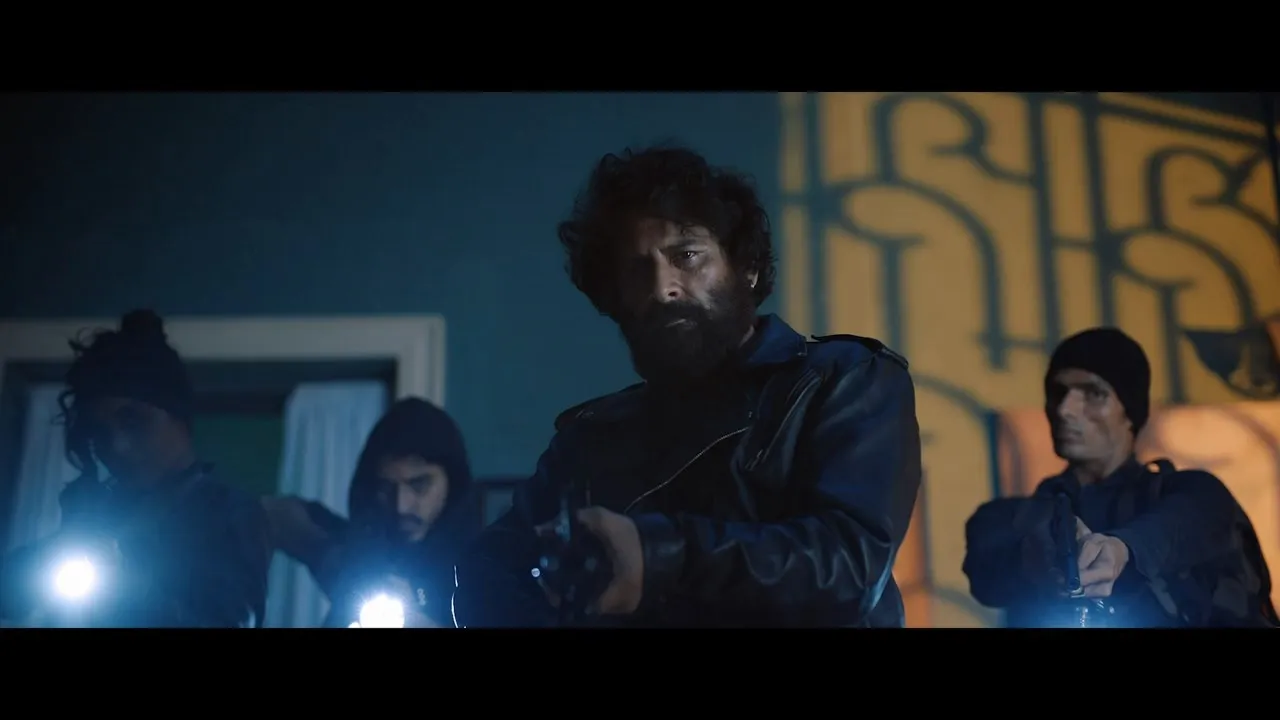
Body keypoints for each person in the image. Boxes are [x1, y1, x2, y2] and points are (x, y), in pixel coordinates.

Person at [452, 145, 923, 628]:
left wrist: (661, 555)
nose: (663, 287)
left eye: (687, 256)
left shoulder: (842, 380)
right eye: (638, 268)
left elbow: (847, 565)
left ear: (746, 267)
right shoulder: (591, 438)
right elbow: (487, 576)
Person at [963, 327, 1279, 627]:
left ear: (1129, 411)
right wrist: (1031, 559)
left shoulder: (1193, 494)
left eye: (1094, 393)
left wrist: (1123, 550)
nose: (1065, 409)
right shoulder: (1009, 516)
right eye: (1059, 392)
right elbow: (987, 569)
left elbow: (1185, 523)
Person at [0, 310, 270, 627]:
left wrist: (130, 586)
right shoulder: (102, 510)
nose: (117, 446)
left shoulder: (228, 511)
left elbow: (231, 621)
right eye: (100, 433)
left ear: (178, 417)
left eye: (134, 422)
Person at [264, 398, 476, 628]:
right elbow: (274, 513)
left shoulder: (479, 572)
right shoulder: (356, 550)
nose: (401, 505)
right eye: (386, 488)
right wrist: (340, 566)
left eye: (419, 484)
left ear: (453, 483)